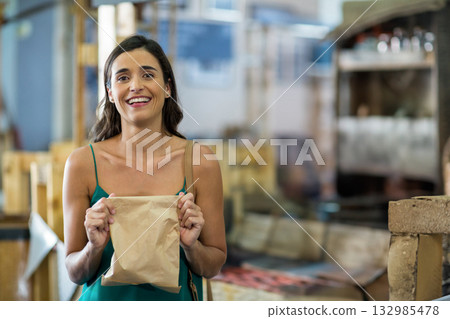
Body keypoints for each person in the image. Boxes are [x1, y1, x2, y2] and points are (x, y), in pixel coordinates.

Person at [63, 35, 226, 301]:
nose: (135, 86)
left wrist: (192, 247)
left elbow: (214, 263)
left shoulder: (200, 162)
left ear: (167, 87)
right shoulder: (82, 164)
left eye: (147, 75)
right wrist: (93, 247)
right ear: (110, 93)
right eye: (123, 78)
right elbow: (74, 271)